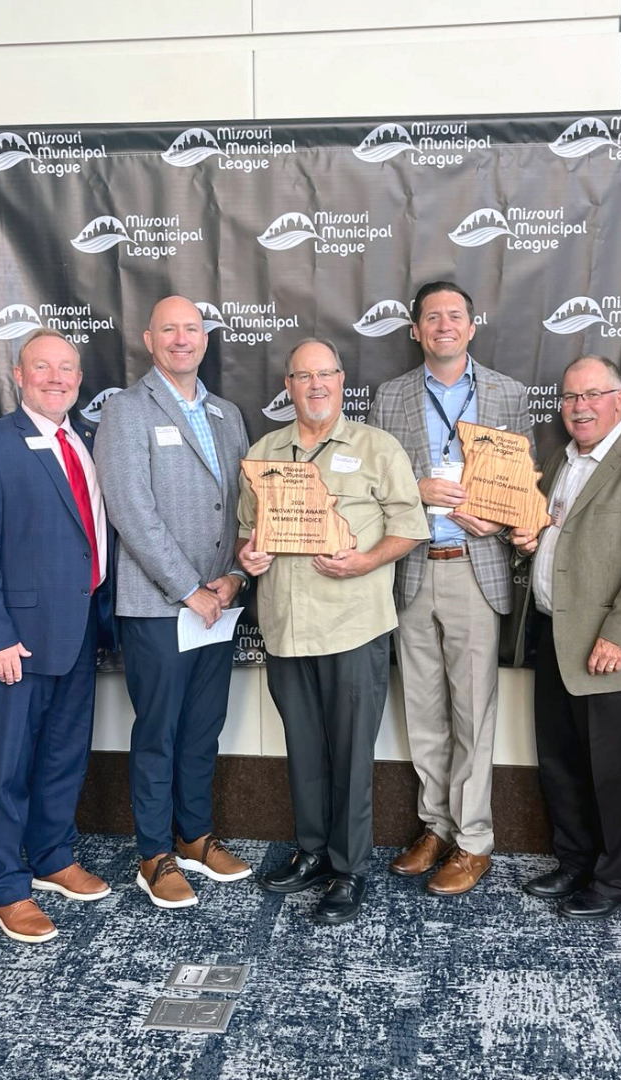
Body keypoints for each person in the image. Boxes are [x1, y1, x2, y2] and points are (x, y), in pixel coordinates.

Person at [238, 338, 430, 924]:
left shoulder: (377, 447)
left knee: (349, 753)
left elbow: (409, 526)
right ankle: (313, 851)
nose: (316, 386)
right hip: (285, 628)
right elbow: (249, 533)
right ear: (289, 386)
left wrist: (368, 561)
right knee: (304, 750)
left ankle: (348, 869)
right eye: (303, 377)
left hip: (352, 627)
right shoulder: (265, 452)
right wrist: (249, 558)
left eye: (325, 375)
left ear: (342, 381)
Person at [0, 328, 114, 943]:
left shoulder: (87, 441)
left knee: (63, 756)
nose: (55, 378)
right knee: (7, 766)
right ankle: (7, 887)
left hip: (78, 630)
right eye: (41, 367)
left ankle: (51, 856)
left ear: (78, 378)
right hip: (13, 639)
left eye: (66, 368)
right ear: (17, 375)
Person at [370, 281, 534, 895]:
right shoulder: (390, 398)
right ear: (415, 330)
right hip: (412, 566)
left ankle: (474, 840)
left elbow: (526, 482)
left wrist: (501, 518)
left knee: (473, 712)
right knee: (424, 711)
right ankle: (435, 827)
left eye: (455, 316)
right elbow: (373, 483)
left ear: (472, 326)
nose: (444, 324)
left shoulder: (507, 394)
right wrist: (416, 486)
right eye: (432, 317)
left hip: (475, 564)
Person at [512, 356, 621, 920]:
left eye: (592, 395)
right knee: (561, 762)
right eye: (569, 397)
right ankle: (574, 863)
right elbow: (562, 541)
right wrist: (530, 545)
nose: (579, 407)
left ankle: (615, 881)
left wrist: (619, 636)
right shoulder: (557, 462)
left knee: (612, 772)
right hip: (554, 636)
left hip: (611, 650)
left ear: (619, 398)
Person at [94, 295, 251, 910]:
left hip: (221, 603)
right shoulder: (127, 411)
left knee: (202, 728)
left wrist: (233, 577)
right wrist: (189, 588)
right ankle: (154, 853)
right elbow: (131, 511)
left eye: (192, 328)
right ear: (148, 338)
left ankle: (195, 837)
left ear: (205, 337)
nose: (182, 339)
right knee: (159, 730)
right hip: (163, 606)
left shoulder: (226, 413)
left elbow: (245, 503)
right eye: (169, 330)